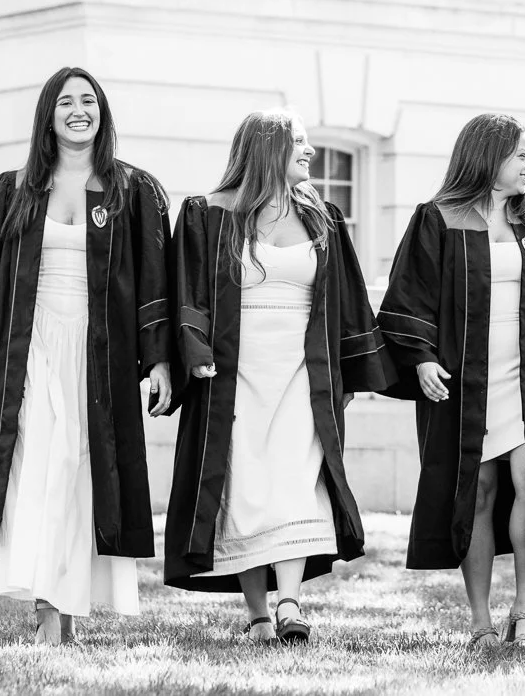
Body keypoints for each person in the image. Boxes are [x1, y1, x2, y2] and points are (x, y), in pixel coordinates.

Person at [0, 66, 173, 643]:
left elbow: (157, 281)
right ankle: (48, 613)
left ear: (103, 113)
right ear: (48, 115)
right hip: (26, 353)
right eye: (65, 102)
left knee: (79, 470)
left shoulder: (133, 191)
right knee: (36, 471)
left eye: (88, 100)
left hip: (98, 357)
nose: (78, 110)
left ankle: (66, 603)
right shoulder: (15, 189)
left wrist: (159, 359)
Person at [376, 113, 525, 650]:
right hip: (467, 381)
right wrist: (419, 358)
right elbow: (408, 297)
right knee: (478, 491)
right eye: (521, 154)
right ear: (489, 158)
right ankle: (480, 620)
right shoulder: (438, 219)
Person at [161, 109, 393, 643]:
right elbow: (188, 291)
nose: (310, 152)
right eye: (300, 143)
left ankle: (289, 604)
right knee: (246, 485)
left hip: (302, 371)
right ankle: (259, 614)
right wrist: (192, 351)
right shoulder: (208, 214)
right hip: (234, 371)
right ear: (267, 149)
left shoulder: (322, 217)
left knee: (296, 480)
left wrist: (352, 371)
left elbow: (348, 302)